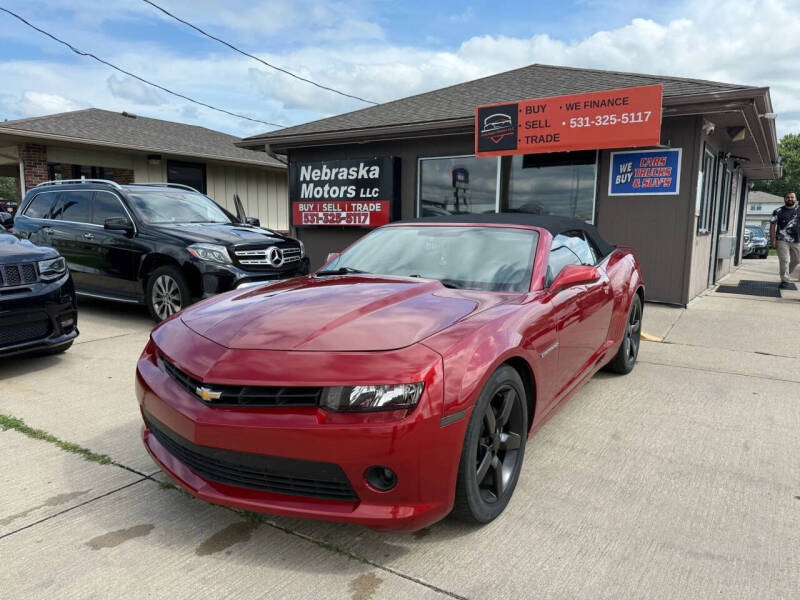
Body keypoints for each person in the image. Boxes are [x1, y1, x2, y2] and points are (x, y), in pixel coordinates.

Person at [770, 191, 800, 288]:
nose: (790, 199)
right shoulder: (778, 211)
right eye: (788, 197)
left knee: (796, 260)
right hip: (781, 239)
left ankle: (786, 272)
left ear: (795, 198)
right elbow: (772, 226)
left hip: (797, 239)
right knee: (784, 260)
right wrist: (772, 240)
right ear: (784, 199)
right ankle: (785, 280)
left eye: (792, 197)